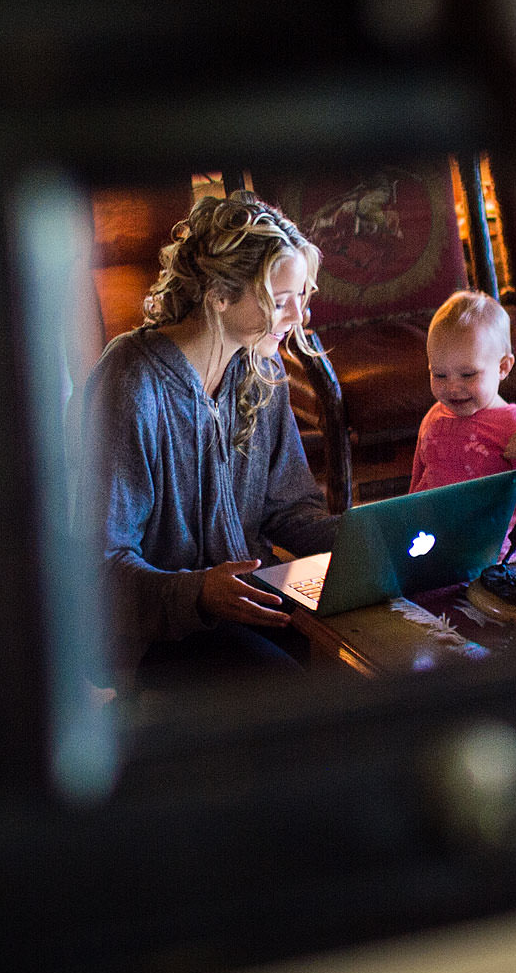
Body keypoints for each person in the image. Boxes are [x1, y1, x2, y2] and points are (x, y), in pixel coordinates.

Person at [78, 190, 339, 675]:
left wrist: (367, 540)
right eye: (280, 302)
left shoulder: (262, 369)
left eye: (300, 299)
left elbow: (290, 510)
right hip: (160, 637)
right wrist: (199, 592)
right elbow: (100, 566)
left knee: (359, 666)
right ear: (219, 296)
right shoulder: (133, 380)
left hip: (253, 604)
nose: (298, 318)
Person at [410, 291, 516, 502]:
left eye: (468, 374)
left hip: (498, 533)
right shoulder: (433, 417)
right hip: (438, 532)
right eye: (439, 374)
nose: (452, 387)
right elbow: (417, 484)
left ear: (503, 367)